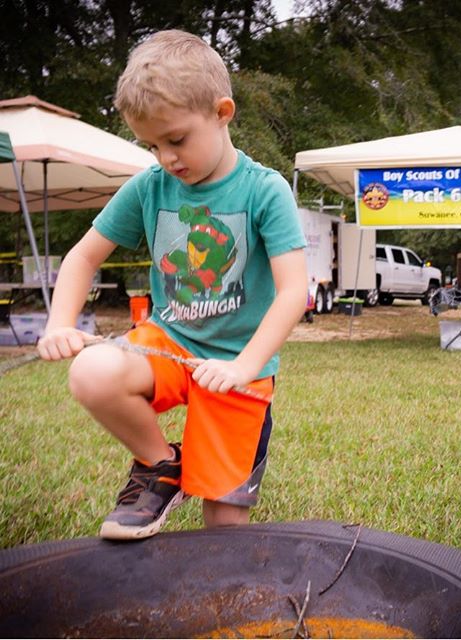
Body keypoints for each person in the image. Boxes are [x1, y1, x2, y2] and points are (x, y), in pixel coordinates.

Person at [37, 29, 308, 541]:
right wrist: (59, 323)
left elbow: (295, 291)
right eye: (152, 145)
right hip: (169, 345)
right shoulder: (148, 186)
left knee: (223, 528)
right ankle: (161, 466)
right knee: (92, 371)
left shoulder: (264, 189)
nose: (166, 157)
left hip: (237, 363)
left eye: (177, 139)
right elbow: (82, 258)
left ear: (222, 112)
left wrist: (245, 366)